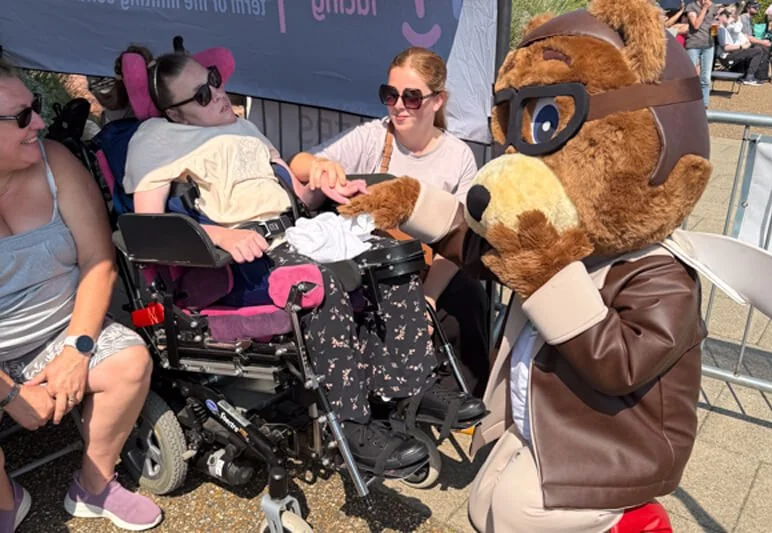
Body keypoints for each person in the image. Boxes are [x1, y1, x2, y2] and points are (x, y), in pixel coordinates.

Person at [119, 48, 485, 473]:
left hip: (292, 237)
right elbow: (149, 226)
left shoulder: (244, 128)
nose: (218, 93)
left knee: (391, 255)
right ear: (177, 115)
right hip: (232, 264)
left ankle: (414, 386)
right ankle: (351, 423)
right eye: (202, 95)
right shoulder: (157, 140)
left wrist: (327, 183)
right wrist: (219, 233)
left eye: (215, 79)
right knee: (320, 281)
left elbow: (300, 196)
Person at [0, 60, 161, 531]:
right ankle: (7, 496)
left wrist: (77, 349)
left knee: (132, 362)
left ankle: (93, 485)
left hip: (62, 330)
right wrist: (10, 394)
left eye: (36, 108)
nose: (41, 122)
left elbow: (98, 261)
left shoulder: (56, 163)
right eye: (22, 117)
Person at [289, 47, 491, 397]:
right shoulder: (373, 136)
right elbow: (299, 163)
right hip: (376, 265)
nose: (398, 105)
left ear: (437, 101)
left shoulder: (457, 156)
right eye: (390, 95)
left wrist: (428, 299)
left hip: (429, 267)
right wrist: (320, 167)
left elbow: (458, 243)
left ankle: (459, 398)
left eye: (411, 97)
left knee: (469, 296)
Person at [717, 6, 771, 85]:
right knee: (757, 51)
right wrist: (742, 46)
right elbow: (726, 47)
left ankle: (758, 75)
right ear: (721, 17)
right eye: (728, 16)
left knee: (759, 49)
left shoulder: (726, 28)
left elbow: (737, 29)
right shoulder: (721, 29)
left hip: (735, 52)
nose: (730, 17)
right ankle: (749, 77)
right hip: (727, 56)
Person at [685, 0, 719, 107]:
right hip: (693, 44)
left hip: (709, 45)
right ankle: (688, 101)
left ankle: (704, 105)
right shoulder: (691, 7)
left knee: (706, 78)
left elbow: (714, 29)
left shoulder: (713, 7)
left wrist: (715, 27)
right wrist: (704, 8)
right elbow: (695, 25)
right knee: (690, 75)